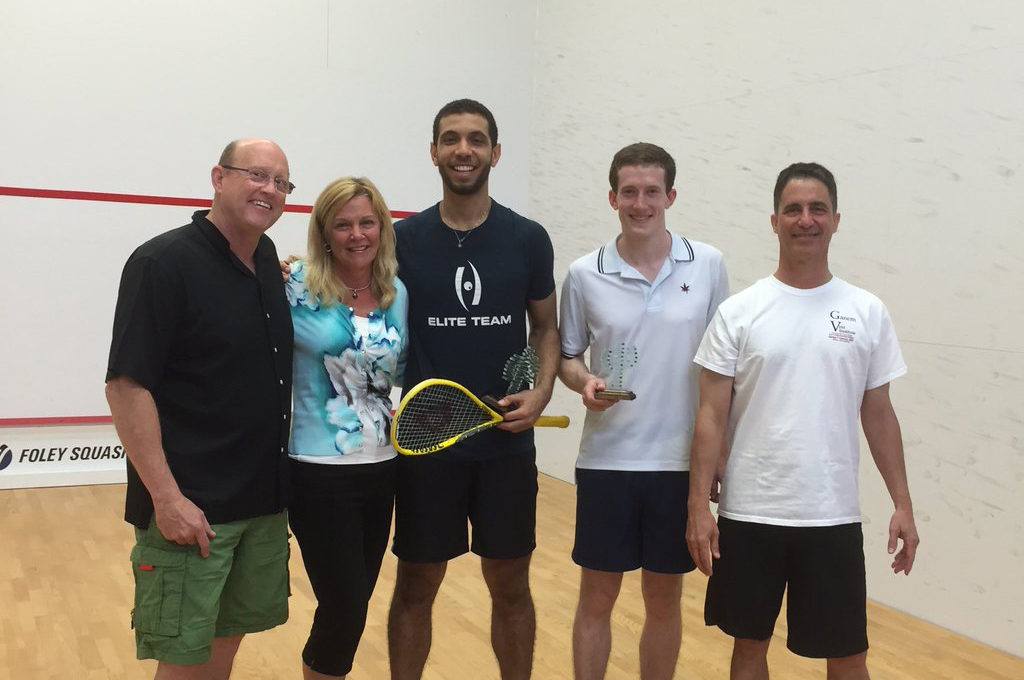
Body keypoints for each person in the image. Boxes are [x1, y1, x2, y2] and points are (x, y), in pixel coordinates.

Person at [685, 162, 920, 680]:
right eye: (793, 209)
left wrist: (902, 503)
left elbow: (879, 413)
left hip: (831, 516)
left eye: (817, 209)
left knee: (848, 655)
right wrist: (698, 506)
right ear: (774, 221)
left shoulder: (867, 311)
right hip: (750, 513)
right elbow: (710, 416)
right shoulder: (739, 312)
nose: (805, 219)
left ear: (836, 220)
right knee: (748, 647)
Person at [105, 139, 295, 679]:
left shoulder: (265, 262)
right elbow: (125, 386)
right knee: (183, 662)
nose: (270, 190)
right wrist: (166, 499)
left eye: (281, 183)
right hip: (192, 513)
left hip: (259, 507)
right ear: (218, 177)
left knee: (223, 650)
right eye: (257, 175)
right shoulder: (162, 263)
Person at [387, 98, 560, 680]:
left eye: (478, 139)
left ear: (496, 152)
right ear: (433, 151)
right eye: (452, 139)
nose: (465, 150)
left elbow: (547, 329)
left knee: (510, 584)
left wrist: (539, 394)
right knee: (416, 584)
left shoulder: (527, 239)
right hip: (427, 442)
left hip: (504, 444)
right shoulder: (401, 241)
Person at [559, 143, 729, 680]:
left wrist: (719, 455)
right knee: (598, 597)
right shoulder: (585, 273)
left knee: (663, 598)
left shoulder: (707, 265)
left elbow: (724, 369)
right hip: (608, 459)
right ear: (612, 198)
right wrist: (585, 382)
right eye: (628, 192)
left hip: (679, 465)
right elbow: (567, 357)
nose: (640, 203)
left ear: (670, 196)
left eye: (651, 191)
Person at [285, 177, 408, 679]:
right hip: (317, 469)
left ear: (381, 226)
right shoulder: (293, 285)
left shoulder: (396, 291)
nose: (357, 234)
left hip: (382, 468)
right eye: (343, 224)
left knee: (351, 605)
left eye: (366, 222)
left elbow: (395, 373)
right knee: (346, 604)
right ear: (324, 232)